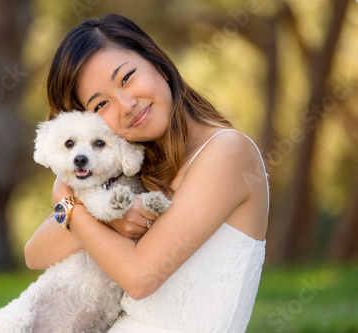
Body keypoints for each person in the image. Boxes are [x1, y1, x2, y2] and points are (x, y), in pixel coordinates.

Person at [25, 13, 269, 332]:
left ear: (158, 64)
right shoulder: (136, 171)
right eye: (101, 105)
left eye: (126, 78)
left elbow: (140, 278)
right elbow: (36, 253)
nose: (126, 105)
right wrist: (92, 212)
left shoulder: (227, 151)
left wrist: (67, 202)